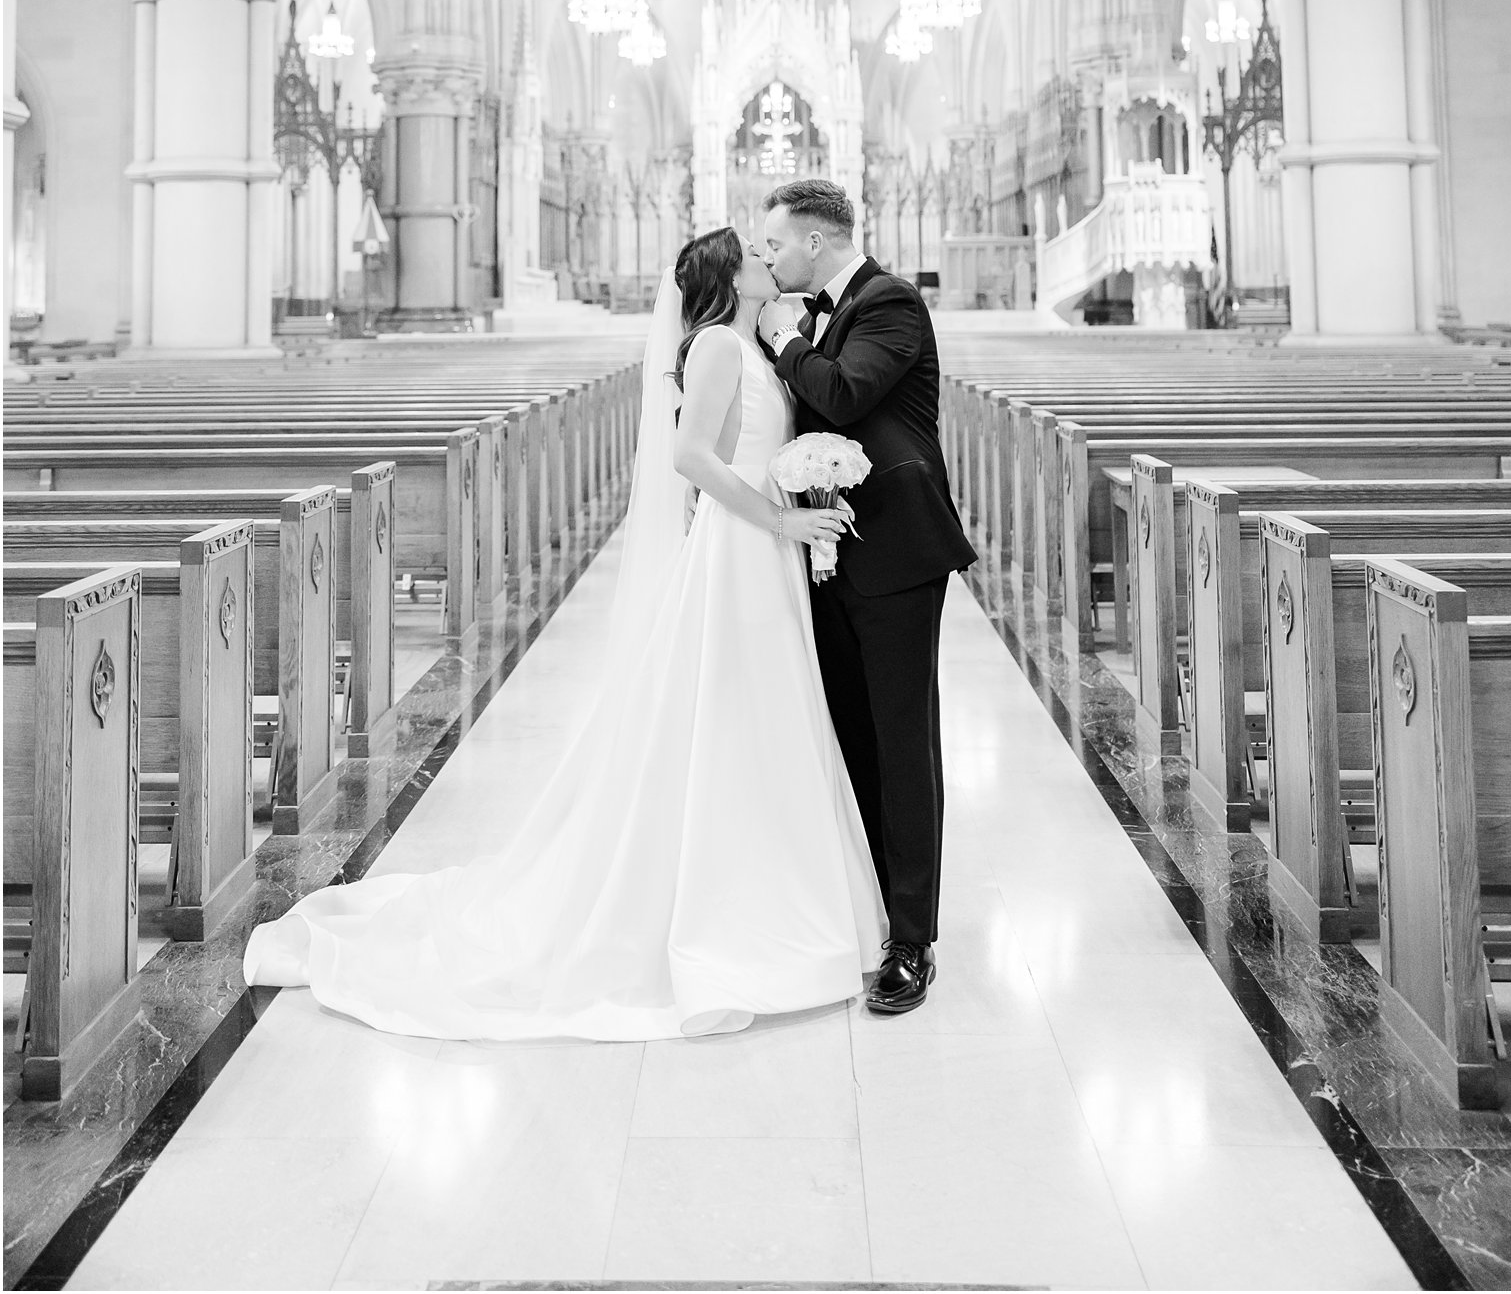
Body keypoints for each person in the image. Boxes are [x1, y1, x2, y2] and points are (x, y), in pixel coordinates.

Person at [242, 228, 884, 1040]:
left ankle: (776, 888)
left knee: (758, 714)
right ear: (729, 277)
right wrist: (780, 517)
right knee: (733, 710)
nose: (767, 255)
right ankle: (734, 906)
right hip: (745, 548)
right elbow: (691, 458)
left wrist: (795, 491)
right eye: (753, 251)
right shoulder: (720, 341)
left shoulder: (752, 339)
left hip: (762, 553)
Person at [759, 179, 975, 1016]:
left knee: (902, 739)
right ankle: (873, 904)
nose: (769, 256)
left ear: (815, 241)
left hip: (895, 552)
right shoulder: (816, 311)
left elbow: (844, 393)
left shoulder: (891, 301)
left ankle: (913, 939)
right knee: (851, 733)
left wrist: (782, 340)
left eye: (776, 243)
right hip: (828, 554)